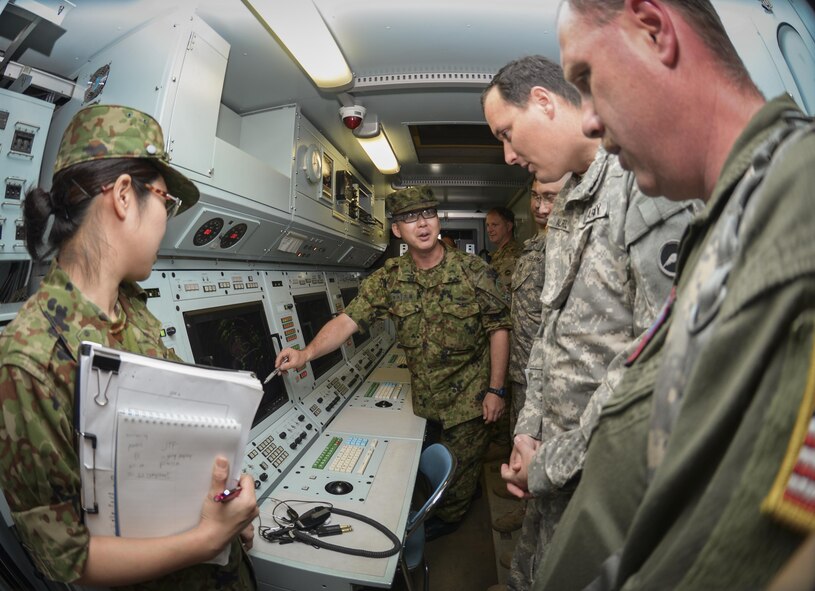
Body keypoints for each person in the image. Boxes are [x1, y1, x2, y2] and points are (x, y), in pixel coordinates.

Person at [532, 2, 815, 590]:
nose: (587, 121)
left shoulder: (795, 207)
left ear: (653, 30)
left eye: (586, 78)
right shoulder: (728, 225)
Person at [0, 104, 259, 589]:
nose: (167, 218)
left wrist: (226, 509)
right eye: (166, 200)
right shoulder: (28, 360)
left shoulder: (130, 307)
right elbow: (69, 559)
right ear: (123, 195)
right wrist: (207, 540)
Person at [481, 55, 699, 591]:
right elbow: (551, 333)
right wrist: (529, 430)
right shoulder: (572, 199)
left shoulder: (645, 186)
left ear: (543, 101)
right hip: (551, 460)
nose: (508, 156)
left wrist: (550, 464)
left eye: (507, 135)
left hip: (605, 474)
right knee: (531, 573)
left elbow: (656, 366)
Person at [274, 186, 512, 541]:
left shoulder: (473, 271)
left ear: (438, 221)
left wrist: (496, 389)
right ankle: (458, 493)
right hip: (427, 400)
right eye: (409, 218)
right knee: (446, 467)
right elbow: (348, 321)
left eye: (428, 213)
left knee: (459, 476)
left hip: (470, 400)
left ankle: (449, 518)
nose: (421, 223)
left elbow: (499, 329)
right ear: (397, 230)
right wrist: (306, 353)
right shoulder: (389, 278)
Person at [491, 177, 566, 545]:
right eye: (536, 197)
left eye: (549, 197)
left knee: (537, 456)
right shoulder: (535, 247)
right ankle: (524, 516)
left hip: (545, 378)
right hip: (523, 371)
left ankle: (529, 532)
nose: (539, 206)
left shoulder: (567, 249)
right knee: (519, 445)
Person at [486, 206, 522, 292]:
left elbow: (501, 291)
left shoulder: (514, 255)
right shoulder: (498, 254)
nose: (489, 230)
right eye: (488, 225)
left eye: (494, 225)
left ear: (509, 226)